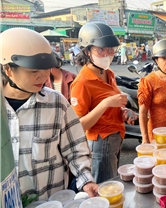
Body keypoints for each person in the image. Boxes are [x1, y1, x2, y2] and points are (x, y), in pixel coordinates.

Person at [0, 28, 98, 201]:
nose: (44, 77)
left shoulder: (56, 103)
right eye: (33, 72)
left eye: (46, 69)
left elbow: (76, 149)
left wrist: (86, 181)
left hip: (53, 201)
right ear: (8, 69)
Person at [70, 22, 137, 184]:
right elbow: (79, 126)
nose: (108, 54)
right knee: (104, 187)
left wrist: (123, 111)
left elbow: (112, 106)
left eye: (111, 49)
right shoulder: (82, 83)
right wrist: (106, 103)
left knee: (112, 181)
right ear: (87, 51)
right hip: (100, 142)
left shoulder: (109, 73)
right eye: (101, 49)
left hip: (116, 136)